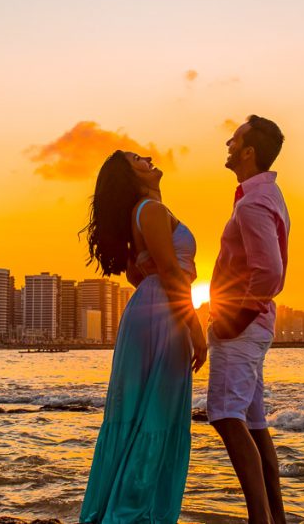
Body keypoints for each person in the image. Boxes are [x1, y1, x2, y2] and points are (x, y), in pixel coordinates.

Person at [79, 150, 208, 524]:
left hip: (150, 311)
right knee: (155, 416)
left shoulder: (146, 211)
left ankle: (123, 511)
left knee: (141, 414)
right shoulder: (149, 210)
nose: (149, 158)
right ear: (130, 176)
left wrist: (166, 276)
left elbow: (139, 273)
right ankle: (134, 514)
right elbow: (168, 270)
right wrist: (196, 328)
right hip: (164, 315)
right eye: (138, 160)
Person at [208, 115, 290, 524]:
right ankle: (275, 518)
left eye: (234, 138)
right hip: (253, 326)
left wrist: (232, 321)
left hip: (242, 327)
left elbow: (269, 272)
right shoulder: (262, 195)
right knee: (254, 424)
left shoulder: (256, 201)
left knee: (225, 416)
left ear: (248, 151)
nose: (228, 141)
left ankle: (260, 519)